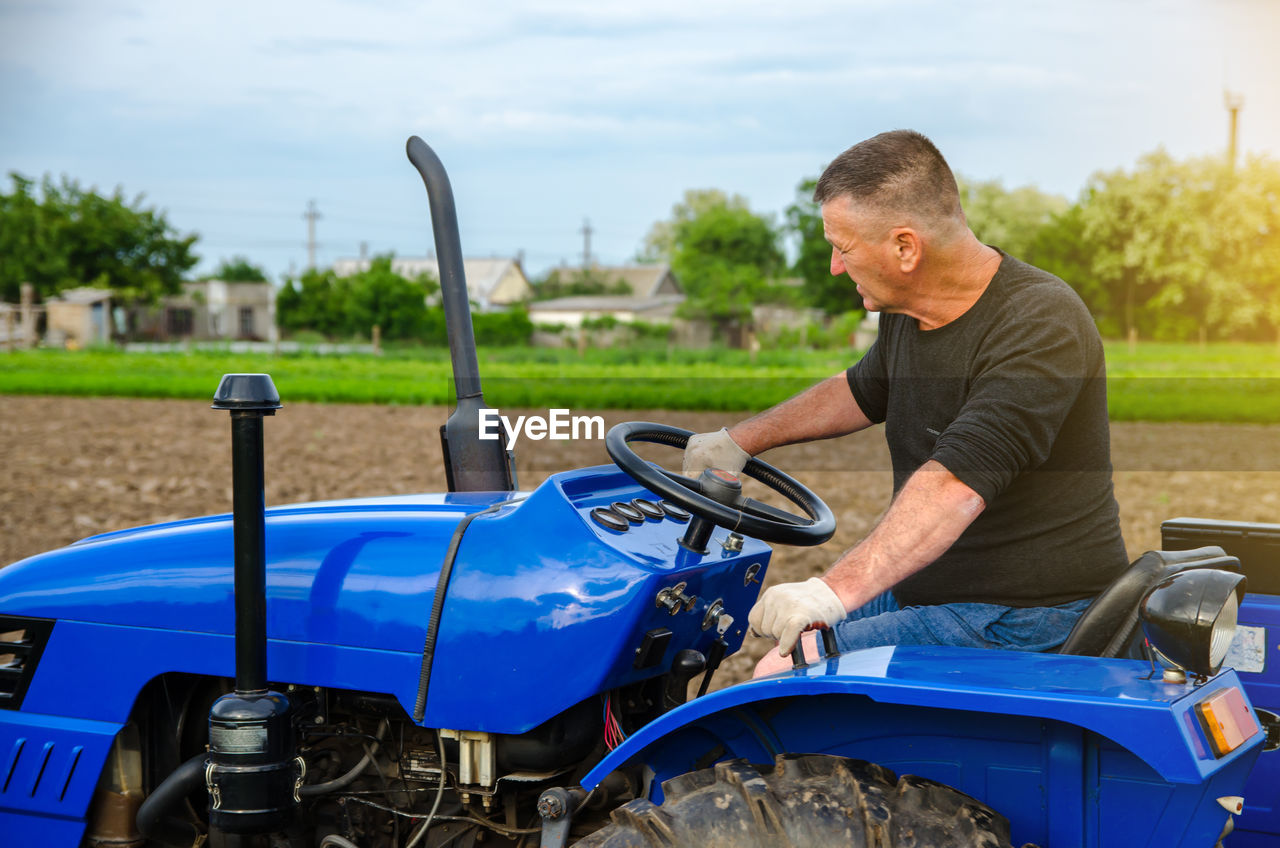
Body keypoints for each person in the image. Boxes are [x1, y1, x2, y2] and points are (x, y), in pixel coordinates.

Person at [681, 130, 1128, 678]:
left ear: (905, 247)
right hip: (931, 591)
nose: (834, 268)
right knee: (776, 649)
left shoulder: (1039, 322)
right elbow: (861, 389)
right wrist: (738, 442)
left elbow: (954, 485)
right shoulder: (909, 313)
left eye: (843, 248)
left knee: (781, 673)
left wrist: (830, 591)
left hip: (1029, 617)